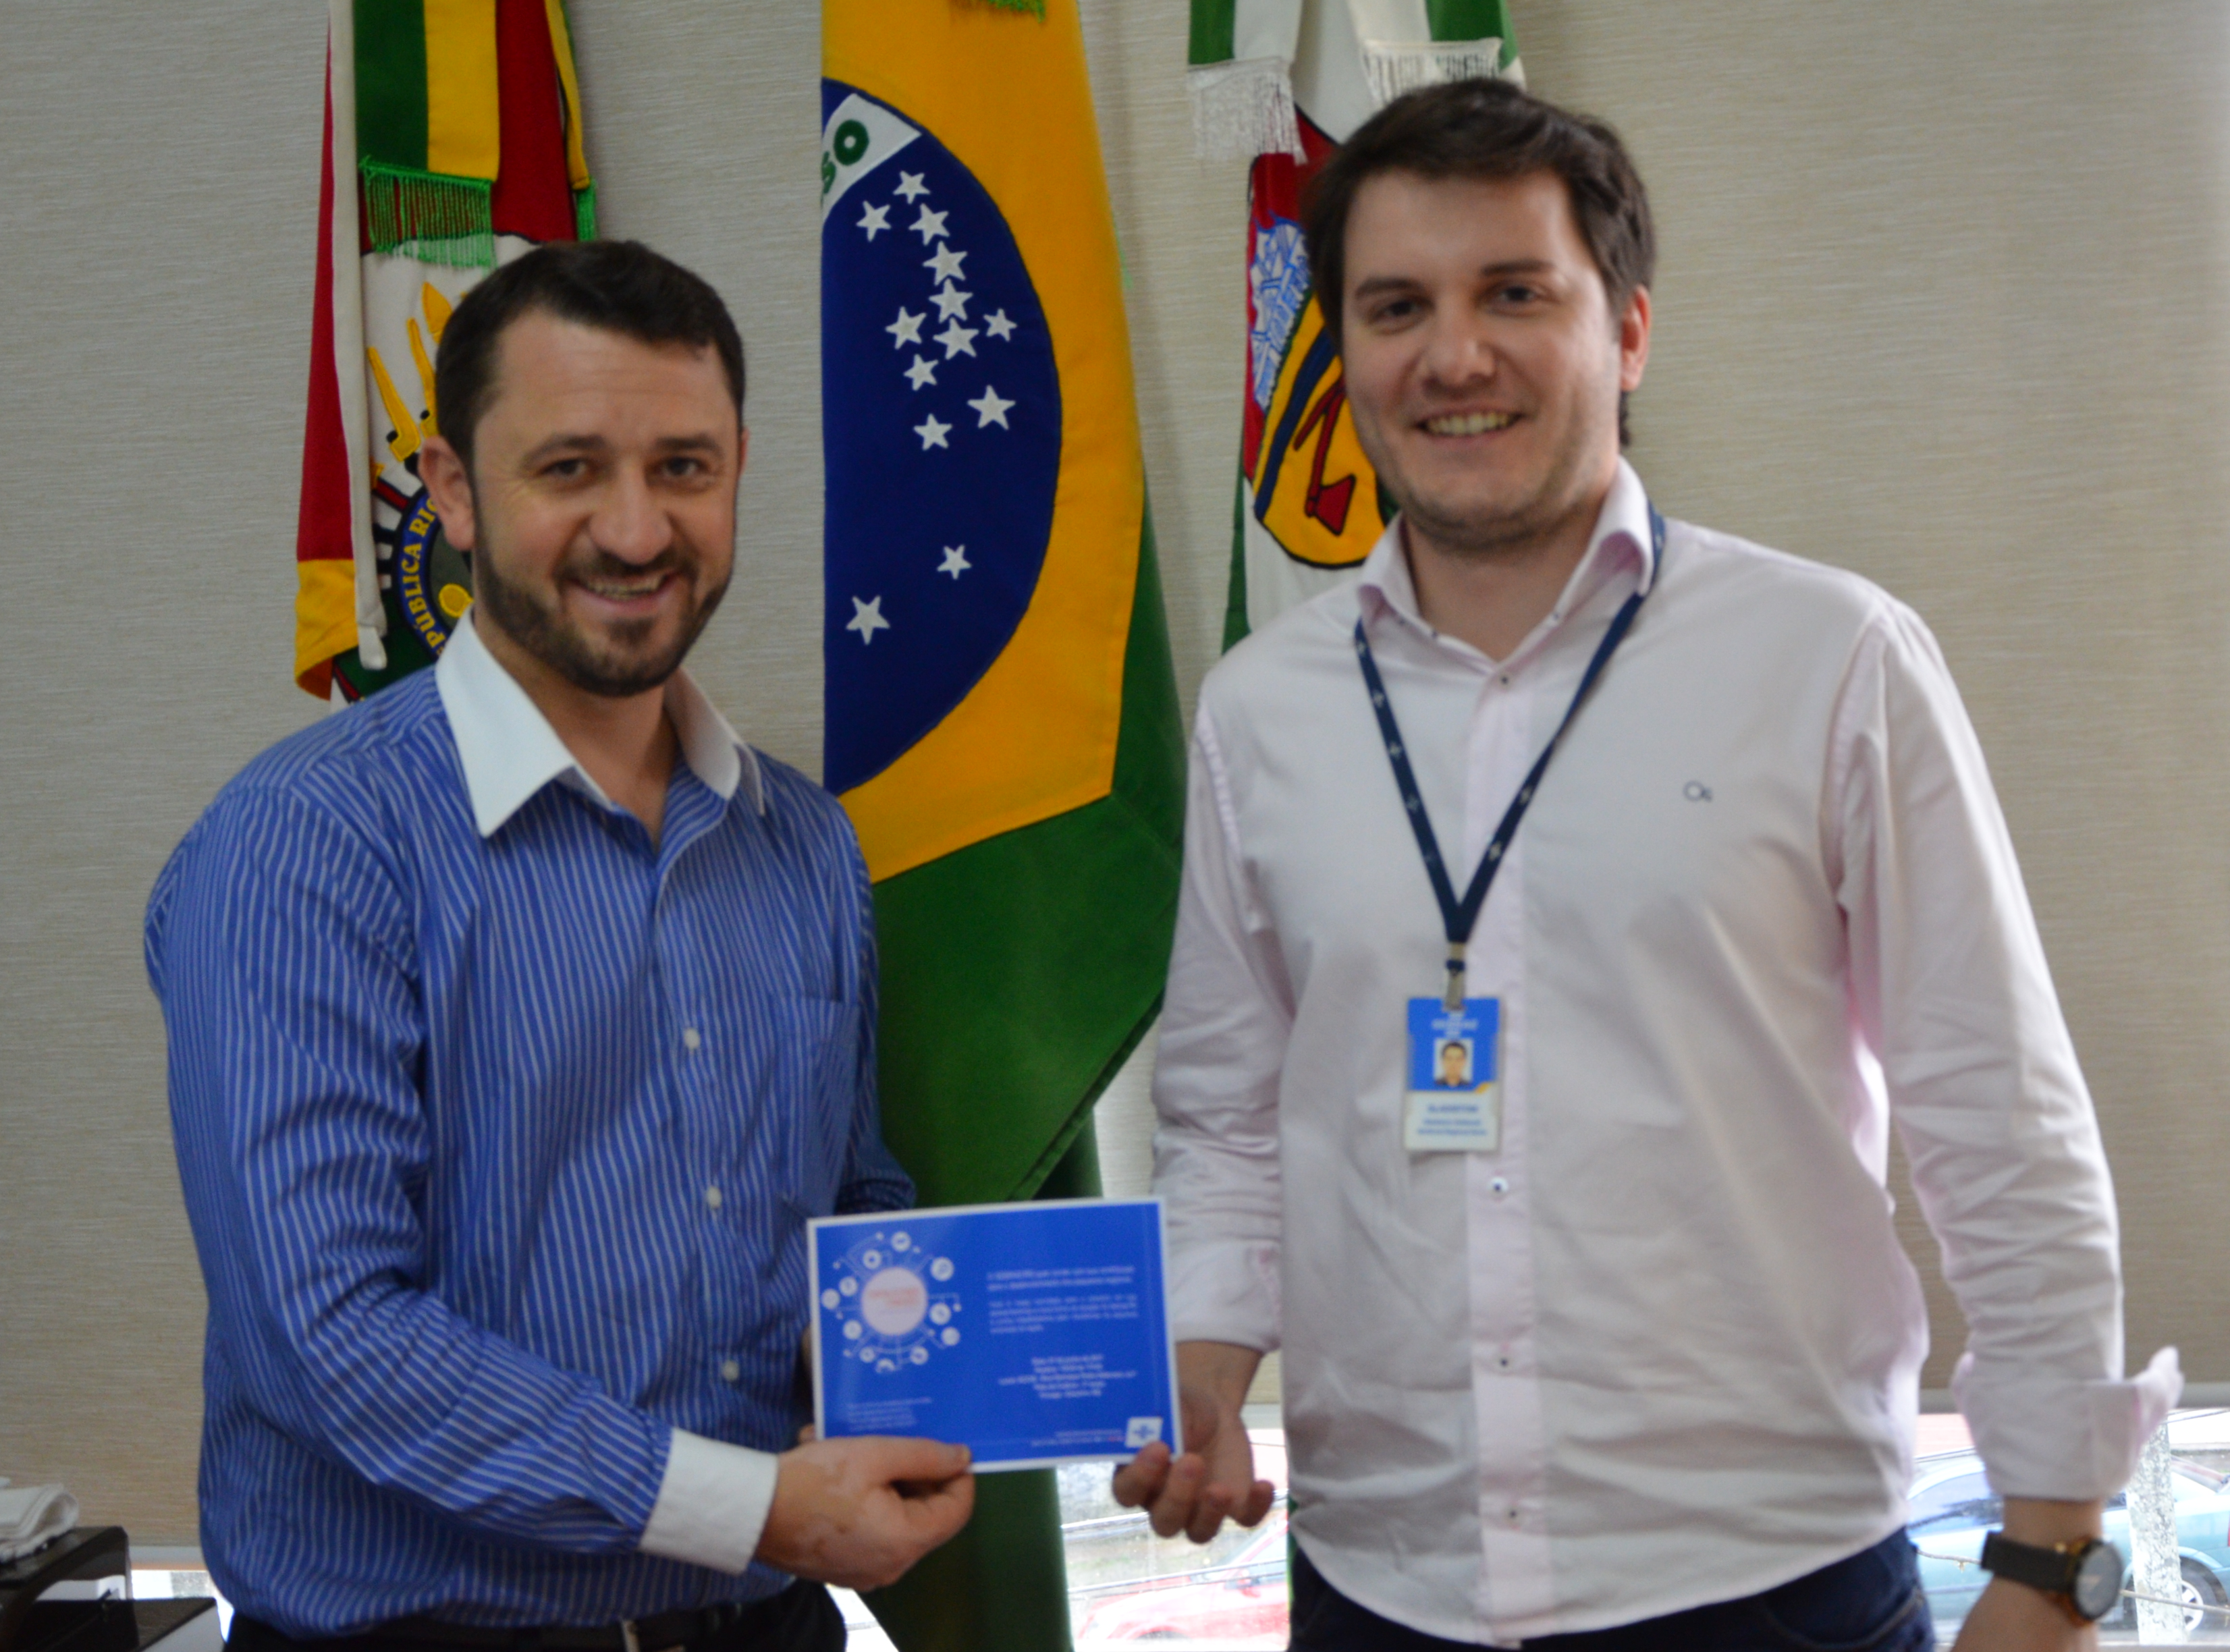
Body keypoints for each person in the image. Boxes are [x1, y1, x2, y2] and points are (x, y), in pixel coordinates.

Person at [1116, 79, 2176, 1652]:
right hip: (1383, 1582)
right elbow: (1227, 1114)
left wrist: (2053, 1557)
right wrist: (1207, 1360)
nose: (1453, 355)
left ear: (1626, 334)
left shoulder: (1831, 658)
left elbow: (1997, 1116)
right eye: (1397, 307)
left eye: (1514, 294)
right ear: (1341, 353)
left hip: (1767, 1586)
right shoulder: (1261, 712)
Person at [148, 240, 973, 1652]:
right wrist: (747, 1510)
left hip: (766, 1629)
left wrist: (1052, 1383)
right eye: (571, 469)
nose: (638, 532)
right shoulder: (305, 846)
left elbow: (846, 1209)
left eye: (684, 468)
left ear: (739, 468)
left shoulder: (803, 843)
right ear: (455, 490)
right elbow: (329, 1337)